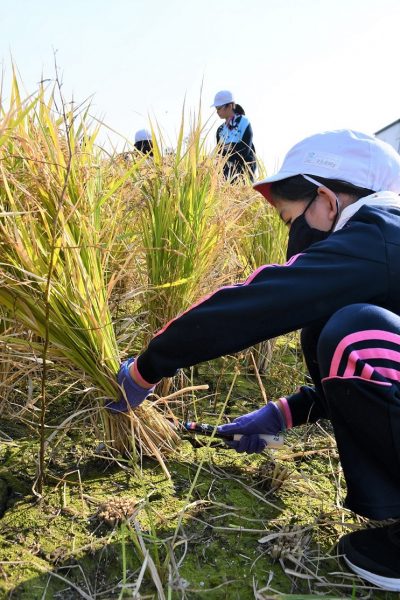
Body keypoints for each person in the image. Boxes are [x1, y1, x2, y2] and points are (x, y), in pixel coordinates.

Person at [107, 129, 400, 591]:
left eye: (290, 220)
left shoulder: (381, 237)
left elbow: (257, 303)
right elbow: (387, 374)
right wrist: (279, 416)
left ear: (325, 200)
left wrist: (147, 366)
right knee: (335, 328)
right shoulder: (383, 243)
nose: (293, 234)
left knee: (353, 333)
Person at [212, 90, 256, 181]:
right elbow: (220, 155)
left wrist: (228, 149)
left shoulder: (244, 122)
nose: (217, 112)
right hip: (226, 174)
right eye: (216, 109)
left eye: (219, 108)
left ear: (230, 106)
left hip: (244, 173)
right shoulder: (220, 130)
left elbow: (245, 151)